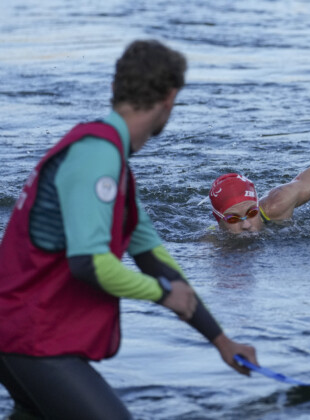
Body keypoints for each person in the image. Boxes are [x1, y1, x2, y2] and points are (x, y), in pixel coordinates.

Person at [0, 40, 257, 420]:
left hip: (17, 326)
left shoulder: (108, 158)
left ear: (115, 90)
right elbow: (88, 263)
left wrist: (219, 339)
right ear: (170, 99)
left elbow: (154, 257)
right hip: (28, 331)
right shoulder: (99, 155)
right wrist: (161, 293)